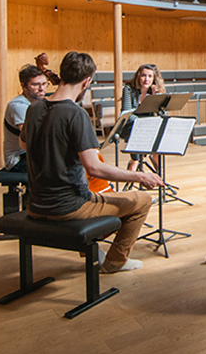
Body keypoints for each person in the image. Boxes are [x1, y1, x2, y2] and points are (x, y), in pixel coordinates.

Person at [20, 51, 165, 274]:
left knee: (108, 198)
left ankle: (93, 249)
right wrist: (140, 176)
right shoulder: (75, 114)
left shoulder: (34, 109)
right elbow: (94, 167)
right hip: (68, 207)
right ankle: (116, 262)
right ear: (87, 81)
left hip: (35, 203)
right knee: (142, 200)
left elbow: (23, 145)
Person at [121, 64, 166, 172]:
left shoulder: (154, 91)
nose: (147, 79)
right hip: (131, 125)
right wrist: (143, 123)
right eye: (143, 76)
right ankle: (134, 162)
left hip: (149, 126)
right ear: (138, 77)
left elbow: (163, 114)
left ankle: (159, 173)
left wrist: (156, 98)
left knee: (160, 132)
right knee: (136, 130)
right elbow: (127, 113)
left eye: (150, 76)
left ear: (154, 78)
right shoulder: (129, 89)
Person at [2, 65, 47, 172]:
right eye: (35, 85)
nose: (41, 89)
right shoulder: (18, 105)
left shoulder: (41, 103)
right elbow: (30, 137)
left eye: (44, 84)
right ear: (23, 86)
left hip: (33, 154)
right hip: (18, 159)